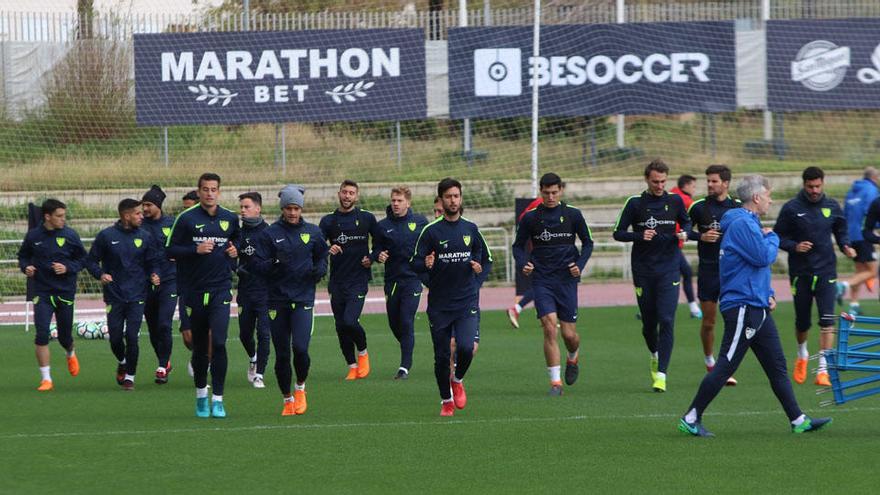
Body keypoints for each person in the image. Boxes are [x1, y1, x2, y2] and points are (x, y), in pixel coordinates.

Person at [679, 175, 832, 437]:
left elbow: (751, 265)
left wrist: (768, 293)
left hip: (755, 304)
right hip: (743, 306)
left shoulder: (747, 222)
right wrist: (773, 237)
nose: (771, 200)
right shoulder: (741, 223)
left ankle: (798, 419)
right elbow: (763, 256)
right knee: (727, 363)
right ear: (757, 197)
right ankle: (691, 417)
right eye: (769, 195)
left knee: (777, 365)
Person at [411, 178, 488, 416]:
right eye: (448, 197)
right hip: (440, 305)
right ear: (441, 200)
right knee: (442, 356)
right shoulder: (431, 231)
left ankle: (458, 379)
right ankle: (446, 401)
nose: (453, 200)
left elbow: (485, 260)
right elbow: (414, 263)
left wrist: (477, 275)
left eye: (456, 196)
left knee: (466, 348)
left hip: (465, 302)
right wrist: (425, 264)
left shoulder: (471, 229)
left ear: (461, 198)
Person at [166, 173, 239, 418]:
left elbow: (236, 247)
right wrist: (194, 250)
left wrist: (233, 252)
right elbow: (169, 250)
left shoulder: (230, 218)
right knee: (199, 348)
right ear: (199, 191)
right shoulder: (186, 219)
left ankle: (218, 399)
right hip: (194, 292)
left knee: (218, 343)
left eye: (214, 189)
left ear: (219, 191)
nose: (209, 193)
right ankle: (200, 395)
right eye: (205, 189)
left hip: (220, 290)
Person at [613, 159, 690, 393]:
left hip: (669, 268)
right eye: (655, 182)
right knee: (649, 324)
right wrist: (639, 236)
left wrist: (685, 233)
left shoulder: (675, 201)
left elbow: (686, 222)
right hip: (644, 270)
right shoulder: (635, 203)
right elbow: (618, 233)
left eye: (663, 182)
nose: (659, 186)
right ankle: (654, 354)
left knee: (667, 319)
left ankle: (662, 375)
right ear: (647, 179)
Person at [513, 173, 593, 395]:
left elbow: (588, 243)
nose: (550, 196)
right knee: (549, 327)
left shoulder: (573, 215)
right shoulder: (531, 218)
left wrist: (580, 264)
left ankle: (573, 357)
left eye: (554, 192)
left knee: (569, 335)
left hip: (566, 280)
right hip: (542, 279)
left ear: (561, 191)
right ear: (541, 191)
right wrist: (524, 263)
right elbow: (518, 247)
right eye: (546, 193)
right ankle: (555, 383)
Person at [774, 166, 854, 387]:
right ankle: (802, 355)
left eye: (818, 186)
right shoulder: (792, 208)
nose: (814, 190)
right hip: (801, 273)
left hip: (827, 271)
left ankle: (822, 369)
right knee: (803, 323)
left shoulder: (831, 206)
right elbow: (778, 236)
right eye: (810, 187)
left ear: (823, 183)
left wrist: (845, 245)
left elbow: (841, 229)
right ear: (804, 185)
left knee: (827, 321)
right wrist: (794, 246)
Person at [253, 185, 328, 416]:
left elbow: (322, 256)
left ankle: (301, 387)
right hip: (277, 301)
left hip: (304, 298)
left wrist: (319, 271)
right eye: (288, 208)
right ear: (282, 208)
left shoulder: (313, 233)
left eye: (296, 208)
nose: (293, 213)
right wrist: (275, 263)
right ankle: (287, 398)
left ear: (301, 208)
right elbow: (257, 266)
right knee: (283, 353)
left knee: (301, 349)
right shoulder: (269, 234)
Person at [86, 199, 160, 390]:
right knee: (116, 337)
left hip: (137, 294)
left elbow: (153, 261)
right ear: (126, 216)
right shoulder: (106, 236)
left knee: (132, 336)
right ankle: (122, 360)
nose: (141, 216)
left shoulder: (145, 236)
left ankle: (130, 377)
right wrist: (100, 274)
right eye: (137, 213)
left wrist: (155, 274)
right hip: (114, 295)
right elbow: (91, 261)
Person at [17, 199, 86, 391]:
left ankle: (70, 351)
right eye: (59, 216)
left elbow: (83, 259)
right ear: (47, 217)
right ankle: (46, 379)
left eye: (64, 215)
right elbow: (22, 256)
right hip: (42, 292)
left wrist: (68, 267)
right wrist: (26, 267)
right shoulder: (33, 236)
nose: (63, 219)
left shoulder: (71, 235)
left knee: (64, 337)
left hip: (65, 292)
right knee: (41, 334)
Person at [319, 180, 380, 380]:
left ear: (357, 196)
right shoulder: (328, 221)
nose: (347, 196)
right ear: (339, 194)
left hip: (358, 280)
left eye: (351, 193)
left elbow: (380, 245)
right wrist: (328, 249)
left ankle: (362, 352)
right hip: (337, 281)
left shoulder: (366, 218)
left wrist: (371, 258)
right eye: (344, 192)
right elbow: (317, 248)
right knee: (340, 326)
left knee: (350, 321)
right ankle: (352, 366)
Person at [687, 165, 740, 386]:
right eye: (708, 181)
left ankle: (723, 367)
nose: (710, 185)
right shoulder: (698, 207)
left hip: (733, 271)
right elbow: (684, 230)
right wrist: (701, 236)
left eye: (714, 181)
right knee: (709, 322)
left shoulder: (737, 207)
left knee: (733, 321)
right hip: (709, 270)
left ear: (726, 183)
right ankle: (710, 362)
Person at [373, 186, 429, 379]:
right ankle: (407, 344)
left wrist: (430, 259)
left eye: (399, 200)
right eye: (393, 200)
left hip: (413, 280)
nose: (395, 204)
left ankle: (404, 366)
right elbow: (376, 249)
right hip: (392, 281)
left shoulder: (420, 222)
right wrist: (378, 255)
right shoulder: (382, 226)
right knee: (394, 323)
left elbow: (431, 244)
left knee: (406, 320)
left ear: (408, 203)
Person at [141, 185, 177, 384]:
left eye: (149, 205)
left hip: (170, 281)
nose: (145, 209)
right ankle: (164, 360)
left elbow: (183, 246)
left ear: (158, 205)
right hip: (146, 285)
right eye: (143, 205)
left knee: (164, 324)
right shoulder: (140, 225)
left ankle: (162, 365)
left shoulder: (172, 224)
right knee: (154, 328)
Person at [236, 192, 270, 389]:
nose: (242, 210)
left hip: (266, 293)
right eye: (241, 207)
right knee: (244, 334)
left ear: (258, 208)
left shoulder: (270, 233)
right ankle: (253, 358)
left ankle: (259, 374)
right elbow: (231, 257)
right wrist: (236, 267)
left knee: (264, 334)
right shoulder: (238, 233)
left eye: (246, 207)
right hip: (245, 292)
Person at [837, 167, 880, 315]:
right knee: (872, 271)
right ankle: (842, 285)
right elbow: (872, 214)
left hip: (850, 236)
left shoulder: (852, 191)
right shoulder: (872, 191)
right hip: (863, 235)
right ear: (875, 177)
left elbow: (845, 214)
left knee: (860, 270)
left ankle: (854, 305)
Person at [507, 197, 543, 329]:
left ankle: (542, 315)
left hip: (543, 250)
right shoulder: (540, 203)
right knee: (543, 285)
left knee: (542, 284)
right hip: (540, 250)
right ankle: (516, 308)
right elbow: (523, 217)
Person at [671, 174, 702, 319]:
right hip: (672, 244)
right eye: (693, 186)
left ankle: (647, 308)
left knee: (671, 275)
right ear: (686, 186)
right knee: (686, 273)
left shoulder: (672, 193)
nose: (695, 189)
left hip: (667, 244)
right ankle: (693, 307)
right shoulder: (686, 200)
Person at [178, 189, 199, 377]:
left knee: (210, 332)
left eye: (189, 209)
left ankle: (204, 358)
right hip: (185, 285)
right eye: (183, 209)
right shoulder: (180, 227)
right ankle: (197, 353)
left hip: (209, 286)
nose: (185, 213)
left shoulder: (213, 226)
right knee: (187, 336)